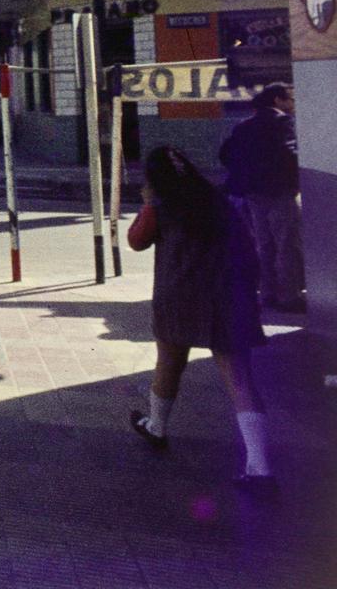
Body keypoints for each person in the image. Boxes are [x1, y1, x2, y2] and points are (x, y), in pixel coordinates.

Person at [127, 146, 273, 491]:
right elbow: (249, 251)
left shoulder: (160, 207)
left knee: (169, 363)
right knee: (239, 378)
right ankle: (260, 466)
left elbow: (136, 241)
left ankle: (157, 428)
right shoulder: (219, 201)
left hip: (179, 297)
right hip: (227, 298)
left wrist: (148, 202)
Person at [219, 83, 304, 313]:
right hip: (279, 192)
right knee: (287, 244)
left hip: (253, 194)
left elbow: (225, 154)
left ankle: (267, 293)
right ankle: (289, 296)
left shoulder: (244, 125)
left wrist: (247, 177)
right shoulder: (281, 121)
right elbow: (290, 154)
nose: (293, 104)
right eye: (290, 99)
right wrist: (295, 180)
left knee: (264, 245)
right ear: (277, 100)